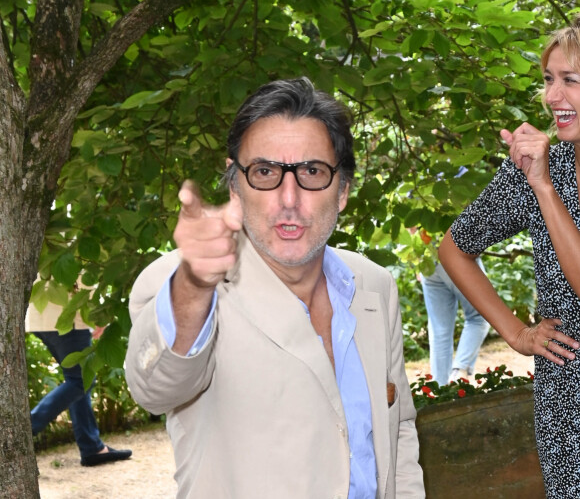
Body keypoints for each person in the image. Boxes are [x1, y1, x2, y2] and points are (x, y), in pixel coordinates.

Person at [125, 78, 425, 498]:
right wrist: (194, 288)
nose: (288, 197)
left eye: (312, 172)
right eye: (265, 172)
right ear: (234, 187)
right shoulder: (182, 286)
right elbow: (155, 389)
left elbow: (399, 432)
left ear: (342, 191)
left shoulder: (374, 286)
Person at [438, 15, 580, 498]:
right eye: (547, 80)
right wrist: (516, 333)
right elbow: (453, 248)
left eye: (569, 81)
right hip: (566, 395)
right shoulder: (540, 164)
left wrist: (543, 187)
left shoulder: (540, 174)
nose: (552, 96)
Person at [28, 297, 132, 467]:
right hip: (68, 317)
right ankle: (26, 427)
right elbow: (84, 279)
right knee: (81, 381)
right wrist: (99, 317)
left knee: (77, 380)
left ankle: (92, 448)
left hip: (39, 317)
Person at [419, 256, 489, 385]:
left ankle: (439, 388)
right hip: (457, 255)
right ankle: (459, 371)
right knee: (481, 316)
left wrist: (419, 262)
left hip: (428, 262)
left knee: (439, 330)